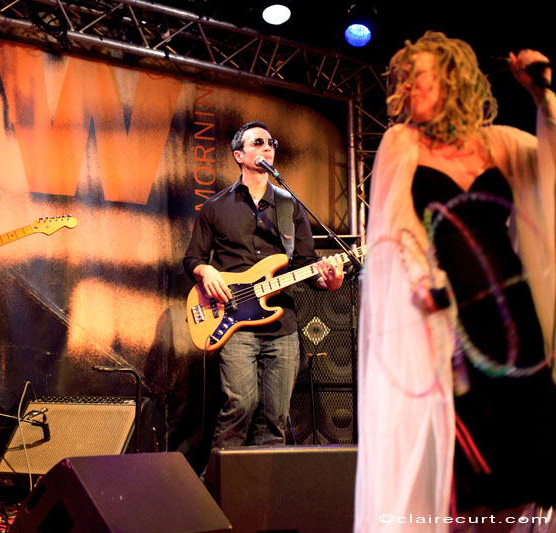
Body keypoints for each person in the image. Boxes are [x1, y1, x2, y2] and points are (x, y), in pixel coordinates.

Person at [355, 31, 556, 530]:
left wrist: (543, 95)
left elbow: (552, 162)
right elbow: (396, 224)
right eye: (401, 81)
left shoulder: (498, 142)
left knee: (520, 468)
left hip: (513, 318)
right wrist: (422, 278)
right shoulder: (403, 141)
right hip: (452, 323)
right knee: (467, 476)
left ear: (451, 78)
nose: (406, 88)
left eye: (417, 77)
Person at [183, 121, 344, 452]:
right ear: (239, 155)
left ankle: (262, 485)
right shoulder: (215, 207)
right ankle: (219, 482)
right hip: (233, 323)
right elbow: (192, 259)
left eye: (271, 142)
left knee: (275, 419)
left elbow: (304, 264)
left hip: (281, 325)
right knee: (239, 408)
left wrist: (327, 280)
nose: (267, 147)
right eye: (258, 142)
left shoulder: (289, 206)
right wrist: (205, 270)